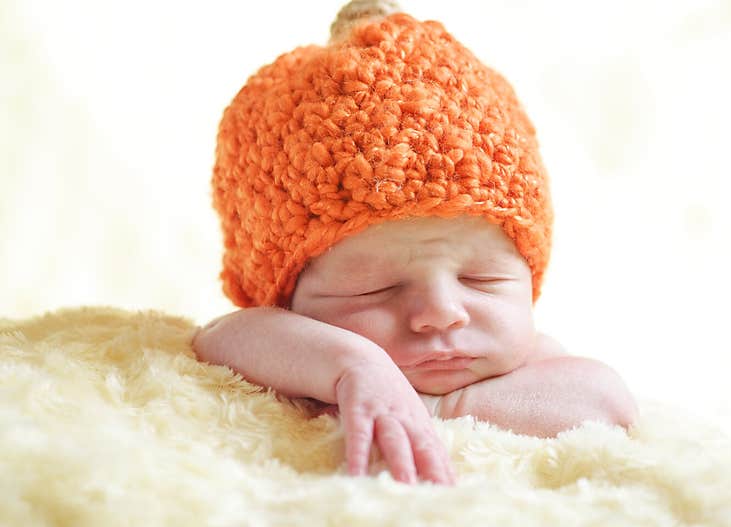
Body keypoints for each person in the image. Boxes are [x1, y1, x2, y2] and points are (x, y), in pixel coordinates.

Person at [193, 0, 638, 486]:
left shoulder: (526, 361)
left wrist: (436, 406)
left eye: (481, 279)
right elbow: (220, 337)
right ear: (285, 298)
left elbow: (608, 401)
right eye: (374, 288)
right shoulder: (294, 348)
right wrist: (353, 367)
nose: (443, 312)